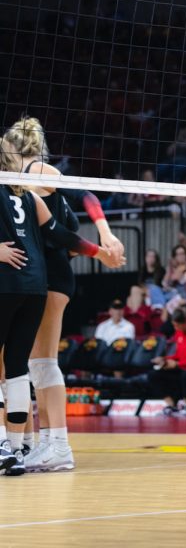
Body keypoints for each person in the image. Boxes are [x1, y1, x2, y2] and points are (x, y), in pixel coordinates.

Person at [2, 116, 125, 474]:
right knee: (21, 364)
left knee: (40, 363)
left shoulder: (35, 170)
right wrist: (94, 249)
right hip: (38, 275)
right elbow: (64, 232)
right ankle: (24, 445)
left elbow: (83, 196)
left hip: (47, 278)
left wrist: (105, 236)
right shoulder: (13, 183)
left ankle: (56, 444)